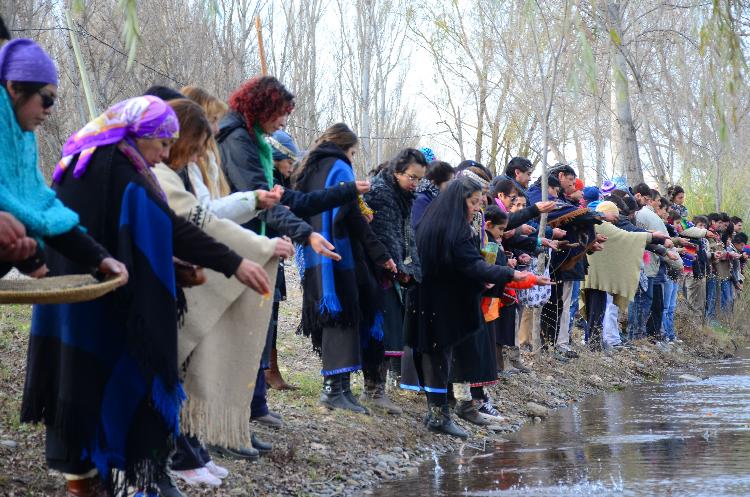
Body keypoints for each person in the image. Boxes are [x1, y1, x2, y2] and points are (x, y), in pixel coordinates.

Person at [26, 94, 272, 496]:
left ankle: (92, 478)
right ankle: (113, 476)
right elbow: (167, 227)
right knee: (98, 381)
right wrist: (235, 262)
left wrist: (174, 268)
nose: (163, 155)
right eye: (161, 143)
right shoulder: (117, 168)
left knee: (77, 382)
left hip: (79, 296)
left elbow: (123, 236)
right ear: (141, 134)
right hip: (95, 300)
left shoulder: (92, 157)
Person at [153, 98, 293, 490]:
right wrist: (250, 253)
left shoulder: (176, 170)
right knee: (173, 368)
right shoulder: (161, 174)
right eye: (199, 139)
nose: (202, 149)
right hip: (161, 282)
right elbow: (201, 222)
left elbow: (203, 218)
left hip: (179, 275)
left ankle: (188, 449)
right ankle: (170, 457)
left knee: (187, 368)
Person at [406, 177, 544, 438]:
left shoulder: (436, 222)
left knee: (441, 356)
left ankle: (445, 412)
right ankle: (439, 416)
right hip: (439, 301)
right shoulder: (453, 229)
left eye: (478, 203)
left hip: (434, 299)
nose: (475, 209)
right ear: (458, 201)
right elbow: (473, 266)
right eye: (472, 203)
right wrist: (513, 275)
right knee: (438, 357)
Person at [0, 39, 126, 283]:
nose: (49, 109)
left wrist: (98, 257)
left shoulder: (21, 141)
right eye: (47, 98)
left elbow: (42, 209)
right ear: (14, 88)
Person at [294, 123, 396, 413]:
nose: (353, 159)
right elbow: (352, 217)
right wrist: (380, 254)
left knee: (334, 318)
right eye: (353, 152)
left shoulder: (309, 167)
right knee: (344, 316)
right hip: (340, 255)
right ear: (345, 148)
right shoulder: (339, 168)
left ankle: (341, 389)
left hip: (315, 257)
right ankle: (334, 390)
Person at [364, 148, 427, 404]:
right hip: (375, 270)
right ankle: (374, 389)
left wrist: (410, 269)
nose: (415, 184)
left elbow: (405, 236)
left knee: (389, 329)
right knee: (380, 329)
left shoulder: (403, 196)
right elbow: (383, 235)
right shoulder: (381, 193)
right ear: (397, 171)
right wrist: (397, 267)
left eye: (419, 179)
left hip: (390, 270)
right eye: (412, 177)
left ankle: (379, 389)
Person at [411, 160, 454, 228]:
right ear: (435, 182)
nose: (452, 187)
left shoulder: (439, 198)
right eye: (449, 183)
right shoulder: (421, 200)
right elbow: (419, 230)